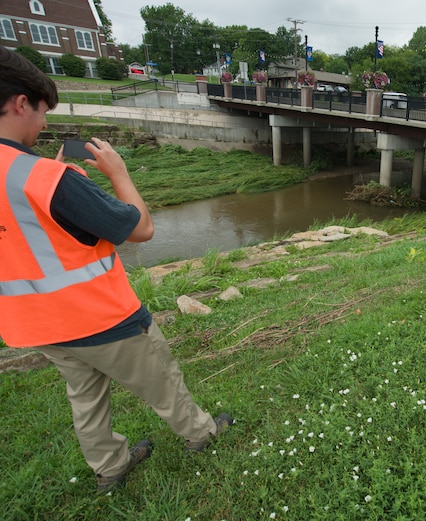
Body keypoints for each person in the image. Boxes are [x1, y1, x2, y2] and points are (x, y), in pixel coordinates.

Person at [0, 46, 232, 492]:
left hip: (37, 325)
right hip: (101, 316)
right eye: (44, 111)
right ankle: (202, 433)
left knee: (85, 399)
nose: (44, 123)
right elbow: (141, 229)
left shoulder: (39, 176)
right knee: (162, 379)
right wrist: (118, 173)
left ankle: (110, 466)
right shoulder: (48, 178)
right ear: (20, 102)